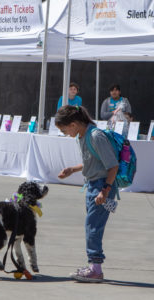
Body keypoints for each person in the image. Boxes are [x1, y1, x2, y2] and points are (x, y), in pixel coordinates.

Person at [55, 105, 119, 283]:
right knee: (92, 226)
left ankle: (95, 269)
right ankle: (94, 266)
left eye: (64, 129)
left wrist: (105, 190)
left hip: (101, 187)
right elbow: (95, 160)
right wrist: (73, 169)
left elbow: (113, 165)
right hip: (92, 185)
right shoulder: (83, 136)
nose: (65, 133)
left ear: (74, 124)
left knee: (92, 227)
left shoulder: (95, 136)